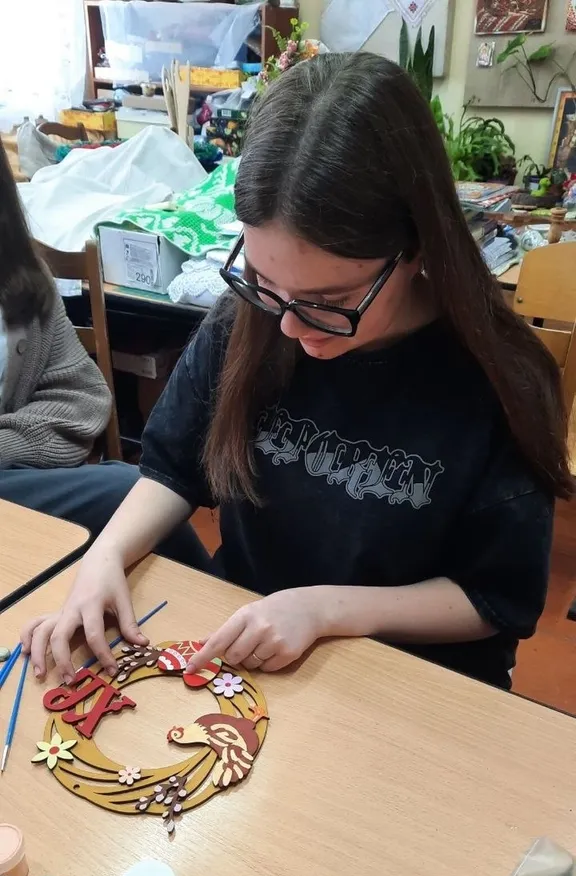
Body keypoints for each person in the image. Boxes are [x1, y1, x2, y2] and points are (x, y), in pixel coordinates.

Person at [23, 53, 572, 689]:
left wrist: (325, 610)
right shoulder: (246, 322)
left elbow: (496, 598)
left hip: (412, 680)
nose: (288, 326)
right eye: (263, 280)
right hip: (251, 653)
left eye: (329, 301)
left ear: (417, 245)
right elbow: (171, 469)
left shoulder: (499, 379)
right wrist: (104, 557)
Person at [0, 137, 208, 564]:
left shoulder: (20, 276)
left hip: (13, 474)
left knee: (136, 498)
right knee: (124, 492)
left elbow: (83, 398)